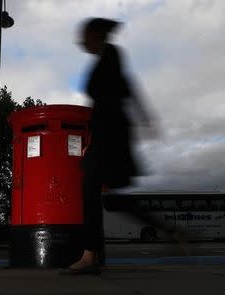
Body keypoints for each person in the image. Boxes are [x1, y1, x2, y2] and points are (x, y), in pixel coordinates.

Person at [60, 17, 156, 275]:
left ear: (96, 35)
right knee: (111, 196)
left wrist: (145, 117)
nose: (81, 42)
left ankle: (90, 255)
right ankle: (172, 231)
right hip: (106, 136)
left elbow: (126, 88)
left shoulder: (111, 55)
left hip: (110, 136)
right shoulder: (107, 57)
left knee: (90, 189)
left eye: (85, 36)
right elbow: (125, 89)